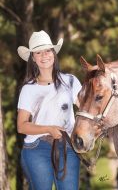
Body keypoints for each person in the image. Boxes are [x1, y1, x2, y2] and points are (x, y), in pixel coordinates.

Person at [17, 30, 82, 190]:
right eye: (38, 52)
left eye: (47, 50)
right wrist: (49, 129)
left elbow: (86, 110)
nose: (44, 55)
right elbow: (22, 126)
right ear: (33, 58)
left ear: (54, 53)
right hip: (37, 148)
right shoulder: (28, 89)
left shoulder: (71, 81)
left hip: (67, 147)